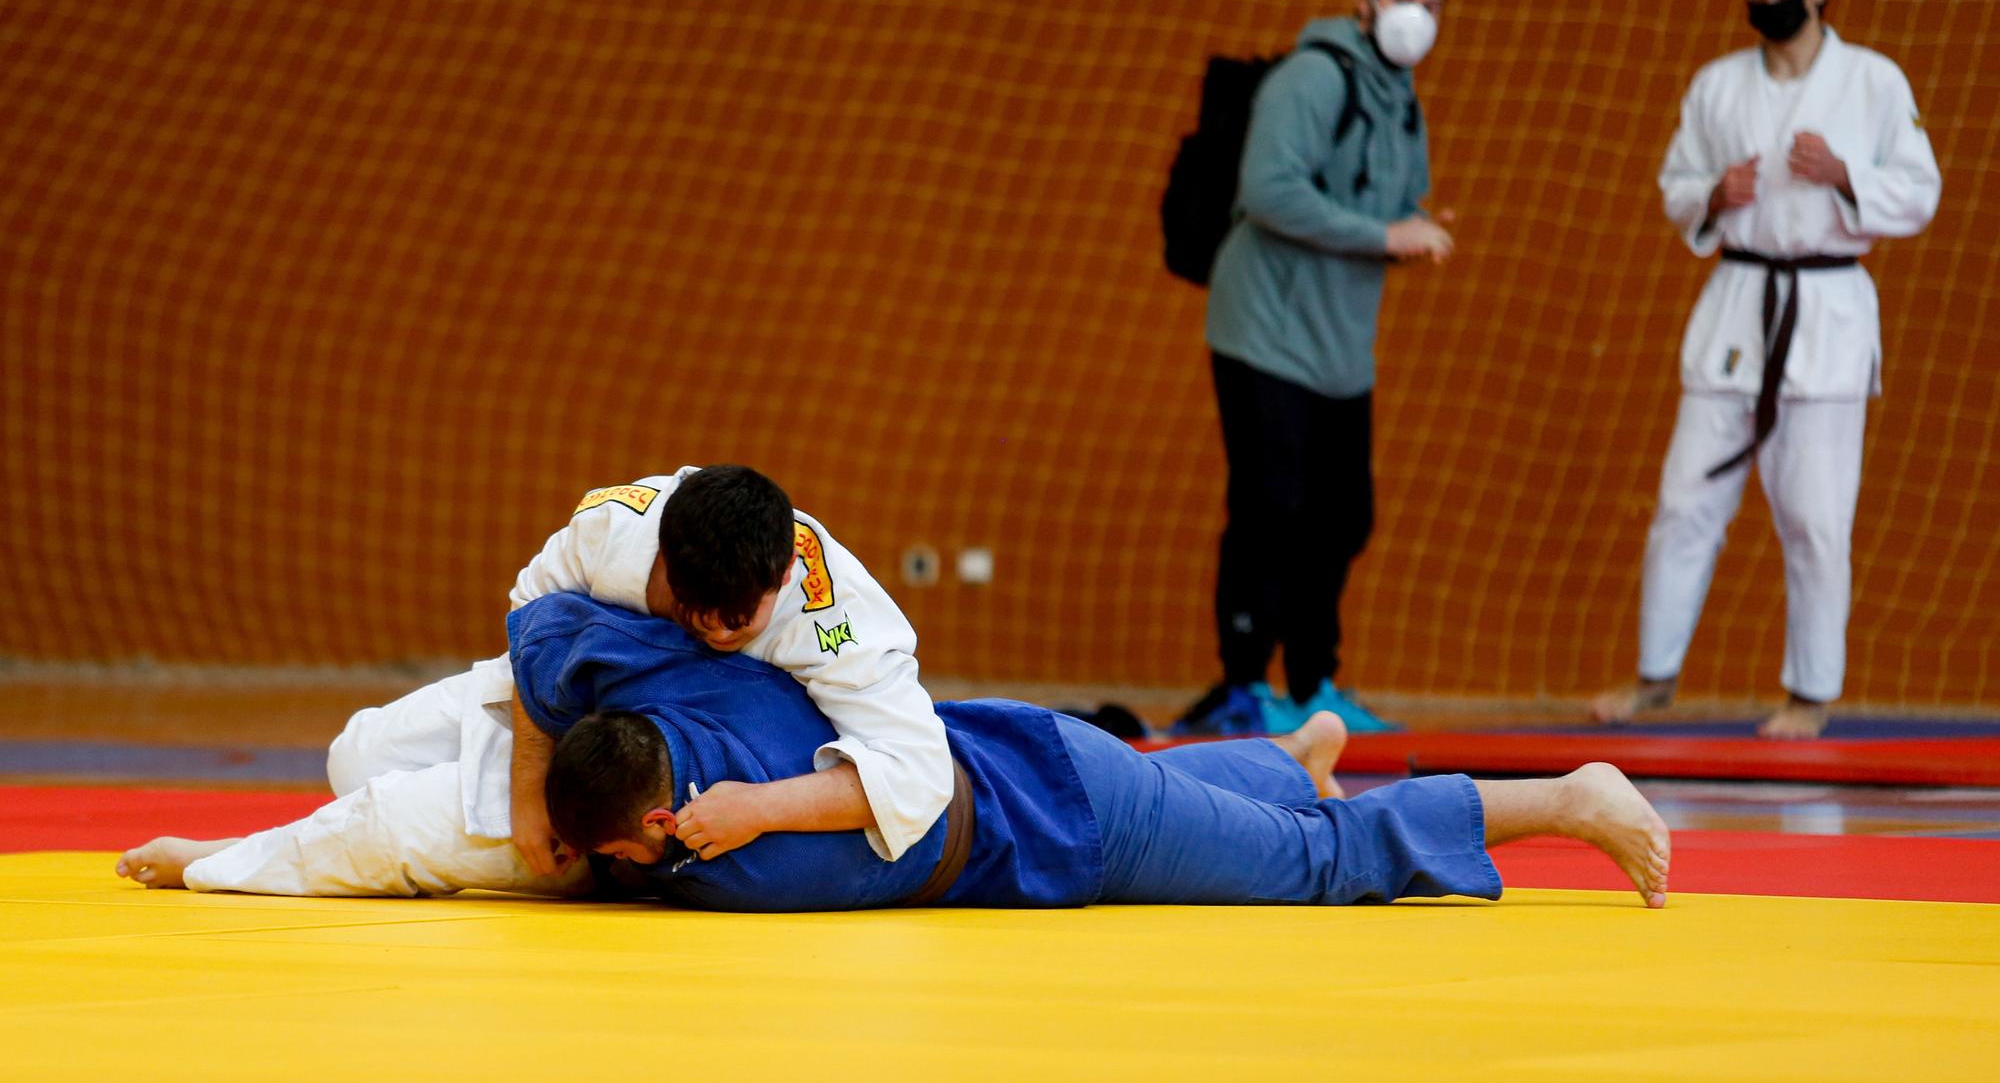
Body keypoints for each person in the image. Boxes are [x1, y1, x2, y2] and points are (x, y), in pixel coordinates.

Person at [119, 592, 1671, 911]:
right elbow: (525, 646)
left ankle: (1564, 797)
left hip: (1058, 815)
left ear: (648, 822)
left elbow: (383, 842)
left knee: (1319, 870)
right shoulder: (650, 675)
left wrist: (220, 867)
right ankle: (1294, 751)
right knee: (1245, 799)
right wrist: (212, 863)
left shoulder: (739, 868)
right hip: (1026, 749)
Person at [1593, 0, 1941, 740]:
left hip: (1827, 312)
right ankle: (1655, 675)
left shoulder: (1874, 82)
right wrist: (1717, 193)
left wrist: (1845, 174)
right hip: (1737, 309)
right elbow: (1676, 183)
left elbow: (1921, 191)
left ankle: (1811, 693)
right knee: (1684, 501)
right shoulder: (1717, 85)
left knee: (1817, 517)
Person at [359, 465, 952, 883]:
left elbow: (919, 774)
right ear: (663, 558)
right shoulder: (613, 529)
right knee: (357, 759)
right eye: (699, 615)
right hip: (580, 702)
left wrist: (758, 807)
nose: (720, 633)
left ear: (786, 571)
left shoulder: (839, 622)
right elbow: (532, 621)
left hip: (685, 762)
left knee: (404, 818)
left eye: (742, 621)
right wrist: (527, 788)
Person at [1181, 0, 1456, 737]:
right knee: (1272, 505)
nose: (1417, 14)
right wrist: (1384, 231)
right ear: (1366, 1)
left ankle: (1311, 685)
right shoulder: (1314, 77)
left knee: (1342, 514)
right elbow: (1268, 190)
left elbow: (1388, 214)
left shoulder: (1403, 103)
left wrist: (1413, 234)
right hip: (1265, 326)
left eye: (1433, 4)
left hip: (1339, 342)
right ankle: (1239, 687)